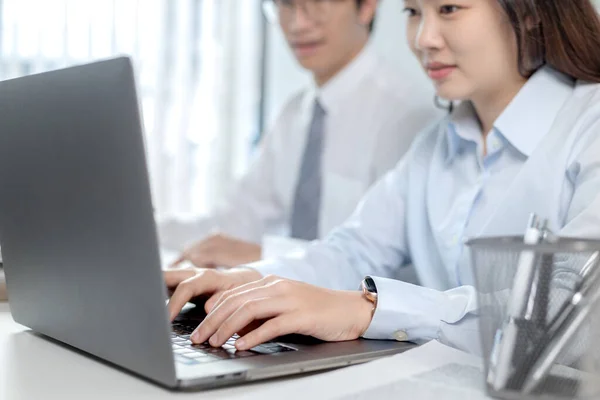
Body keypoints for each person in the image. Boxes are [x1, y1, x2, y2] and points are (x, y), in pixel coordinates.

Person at [164, 0, 600, 355]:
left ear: (528, 11)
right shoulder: (435, 144)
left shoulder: (588, 127)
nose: (423, 39)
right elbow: (352, 249)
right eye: (413, 12)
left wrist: (368, 309)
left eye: (449, 9)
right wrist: (250, 279)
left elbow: (569, 313)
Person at [158, 0, 441, 268]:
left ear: (367, 6)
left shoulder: (410, 116)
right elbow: (232, 223)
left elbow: (390, 264)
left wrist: (264, 256)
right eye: (286, 4)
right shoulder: (293, 115)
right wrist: (139, 229)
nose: (298, 24)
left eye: (317, 2)